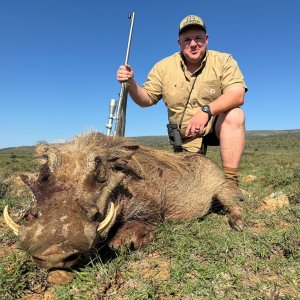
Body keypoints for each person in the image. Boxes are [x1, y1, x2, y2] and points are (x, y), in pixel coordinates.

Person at [116, 15, 247, 200]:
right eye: (187, 40)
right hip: (185, 136)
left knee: (235, 115)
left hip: (213, 128)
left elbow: (237, 94)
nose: (193, 44)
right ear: (179, 43)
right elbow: (146, 99)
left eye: (198, 38)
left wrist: (205, 111)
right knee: (189, 191)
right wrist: (130, 82)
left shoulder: (224, 60)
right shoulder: (163, 67)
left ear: (206, 39)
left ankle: (231, 184)